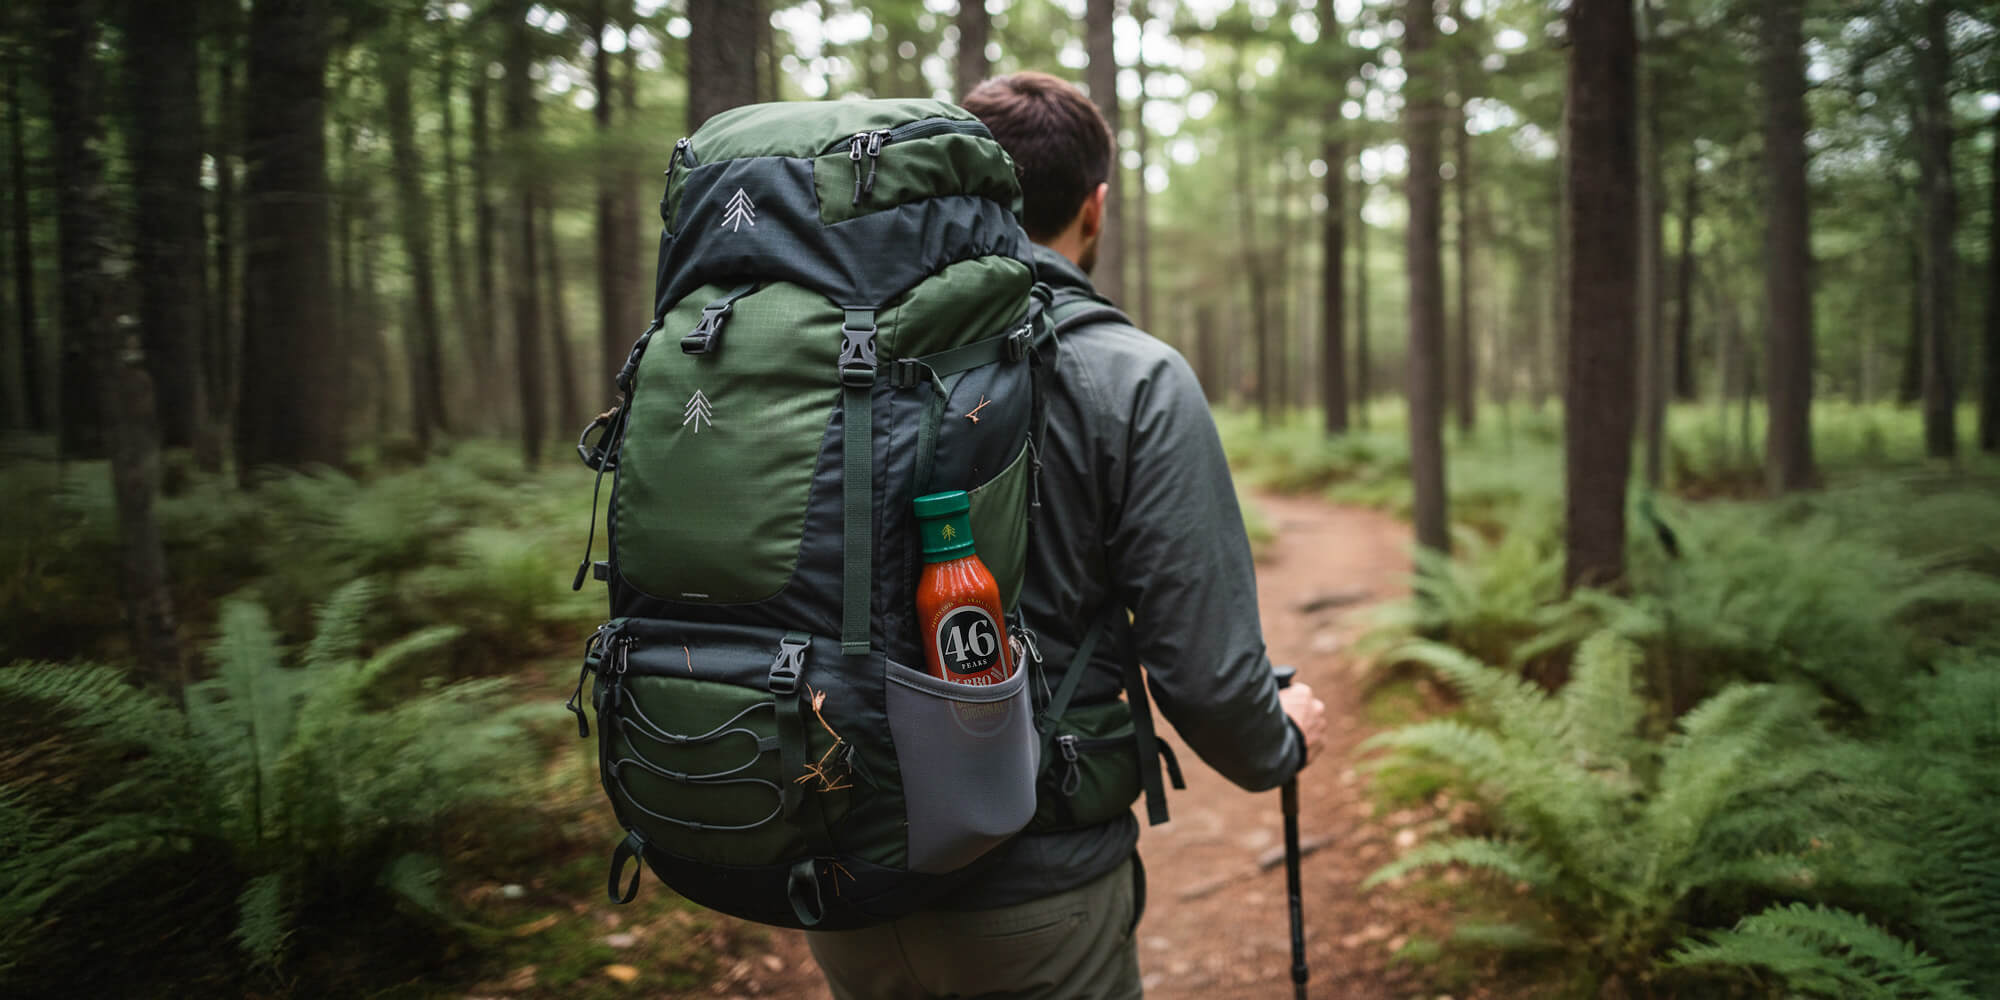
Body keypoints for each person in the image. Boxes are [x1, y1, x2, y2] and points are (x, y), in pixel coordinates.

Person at [804, 71, 1329, 999]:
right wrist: (1275, 741)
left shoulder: (843, 360)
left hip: (843, 880)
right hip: (1037, 896)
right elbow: (1205, 671)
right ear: (1096, 206)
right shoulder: (1134, 378)